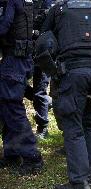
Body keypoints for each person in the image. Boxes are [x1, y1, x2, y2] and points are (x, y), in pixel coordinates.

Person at [40, 0, 91, 188]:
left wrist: (53, 71)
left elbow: (43, 42)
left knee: (73, 126)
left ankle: (79, 182)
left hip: (74, 74)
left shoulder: (59, 9)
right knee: (90, 123)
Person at [0, 0, 43, 175]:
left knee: (12, 107)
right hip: (19, 59)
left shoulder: (11, 1)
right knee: (6, 106)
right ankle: (12, 152)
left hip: (15, 60)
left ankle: (32, 156)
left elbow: (3, 27)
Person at [24, 0, 55, 139]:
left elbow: (52, 29)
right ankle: (48, 102)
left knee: (40, 90)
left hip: (44, 53)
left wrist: (34, 32)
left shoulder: (52, 4)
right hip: (27, 52)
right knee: (17, 84)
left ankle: (42, 129)